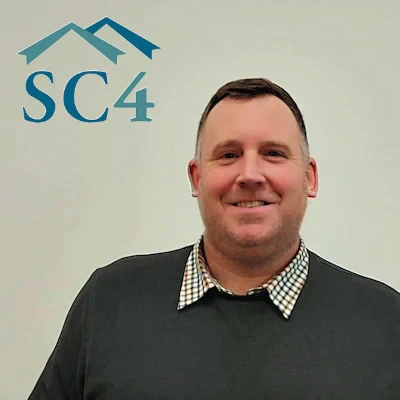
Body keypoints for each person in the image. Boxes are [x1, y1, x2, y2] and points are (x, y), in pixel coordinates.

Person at [28, 78, 400, 399]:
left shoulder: (385, 321)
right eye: (228, 155)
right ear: (197, 178)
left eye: (273, 153)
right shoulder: (110, 300)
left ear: (309, 177)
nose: (250, 174)